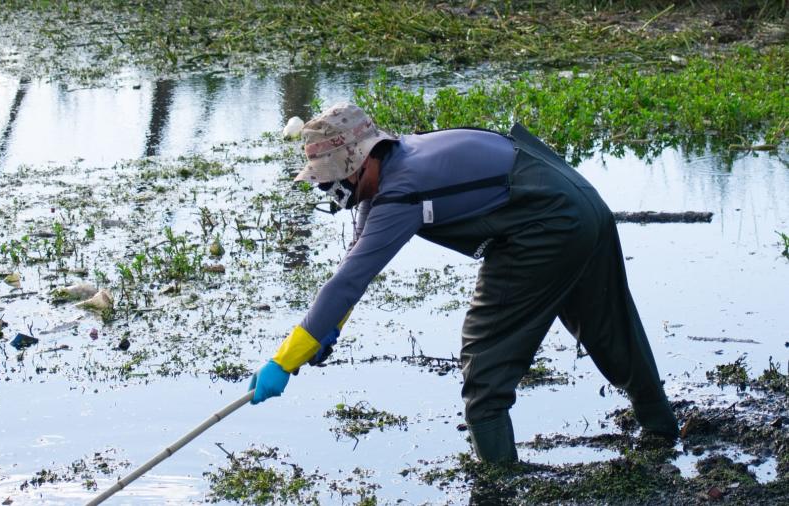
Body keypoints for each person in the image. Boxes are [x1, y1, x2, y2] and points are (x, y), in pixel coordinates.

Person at [247, 102, 678, 463]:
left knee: (484, 362)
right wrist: (324, 333)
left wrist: (283, 360)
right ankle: (661, 429)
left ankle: (499, 482)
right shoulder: (397, 164)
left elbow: (346, 283)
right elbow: (353, 267)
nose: (333, 191)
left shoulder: (400, 193)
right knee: (607, 324)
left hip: (544, 223)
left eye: (335, 180)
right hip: (578, 201)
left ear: (360, 162)